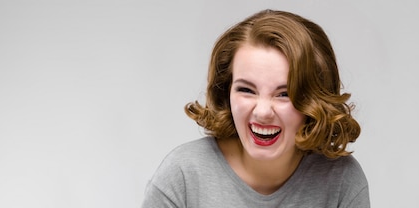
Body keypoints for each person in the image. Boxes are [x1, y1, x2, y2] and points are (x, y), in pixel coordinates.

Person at [142, 9, 369, 208]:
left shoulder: (342, 180)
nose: (262, 112)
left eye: (284, 94)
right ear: (226, 91)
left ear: (314, 103)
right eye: (247, 90)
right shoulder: (183, 174)